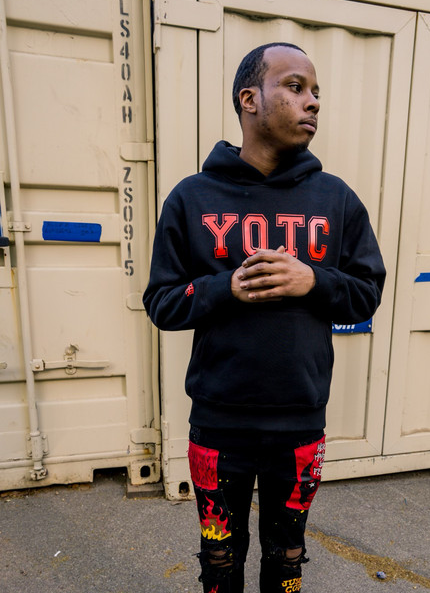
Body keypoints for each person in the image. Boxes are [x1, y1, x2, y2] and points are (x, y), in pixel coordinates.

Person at [143, 42, 386, 593]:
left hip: (300, 423)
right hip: (218, 423)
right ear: (249, 99)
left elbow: (366, 293)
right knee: (219, 562)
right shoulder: (192, 198)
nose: (313, 101)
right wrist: (225, 287)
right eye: (295, 87)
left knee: (287, 561)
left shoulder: (336, 199)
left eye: (316, 92)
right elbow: (161, 303)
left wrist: (313, 281)